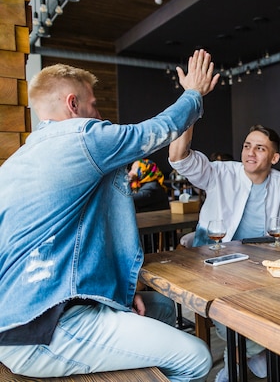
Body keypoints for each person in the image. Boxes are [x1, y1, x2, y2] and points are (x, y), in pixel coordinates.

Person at [0, 50, 220, 381]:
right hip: (41, 331)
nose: (100, 116)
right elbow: (157, 130)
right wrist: (194, 94)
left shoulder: (16, 163)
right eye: (94, 106)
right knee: (197, 358)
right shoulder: (82, 138)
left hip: (20, 317)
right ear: (73, 104)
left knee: (159, 306)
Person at [169, 123, 280, 382]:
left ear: (274, 157)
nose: (250, 153)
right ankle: (245, 356)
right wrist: (191, 106)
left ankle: (244, 354)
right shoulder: (221, 172)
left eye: (260, 148)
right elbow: (179, 158)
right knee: (226, 306)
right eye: (247, 146)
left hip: (260, 261)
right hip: (213, 258)